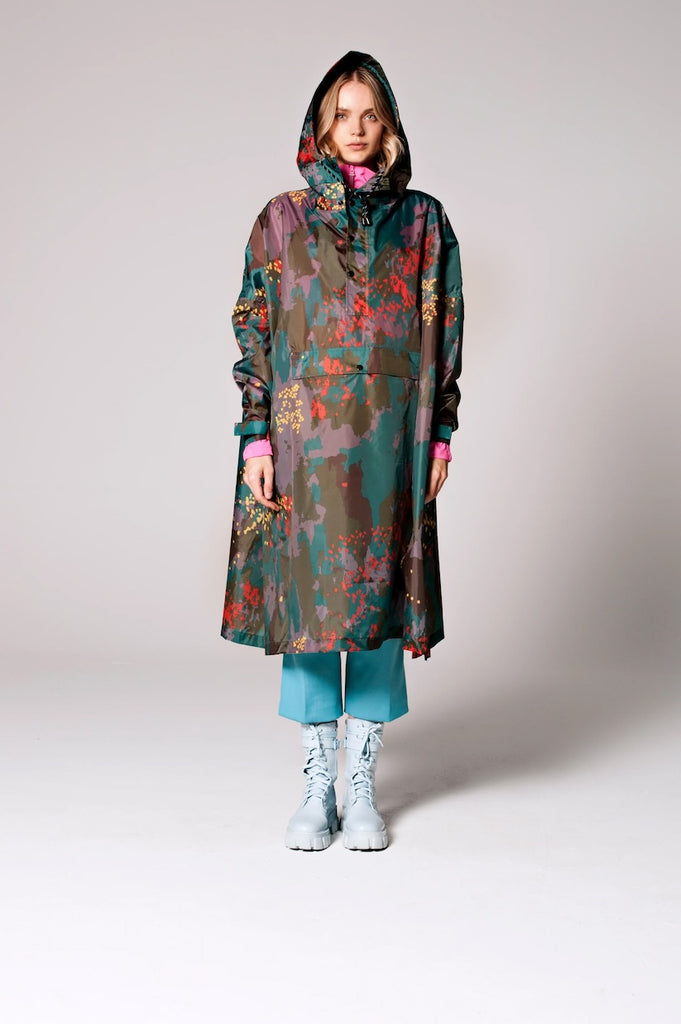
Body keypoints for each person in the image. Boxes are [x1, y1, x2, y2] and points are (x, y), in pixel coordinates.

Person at [221, 51, 464, 852]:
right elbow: (256, 330)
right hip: (302, 439)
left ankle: (362, 784)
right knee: (311, 608)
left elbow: (444, 329)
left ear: (386, 124)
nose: (354, 129)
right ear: (320, 126)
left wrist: (439, 433)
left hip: (392, 436)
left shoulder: (423, 222)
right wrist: (258, 435)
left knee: (381, 603)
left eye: (369, 115)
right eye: (341, 115)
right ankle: (316, 783)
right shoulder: (281, 220)